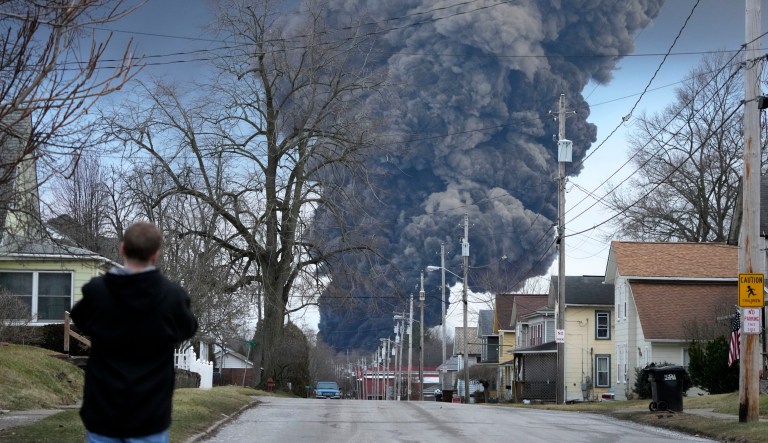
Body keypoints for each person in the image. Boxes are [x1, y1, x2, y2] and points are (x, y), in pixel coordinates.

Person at [71, 222, 198, 443]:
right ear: (156, 254)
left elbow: (80, 319)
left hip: (103, 413)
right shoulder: (172, 298)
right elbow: (188, 329)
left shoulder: (97, 292)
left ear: (122, 249)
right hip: (150, 416)